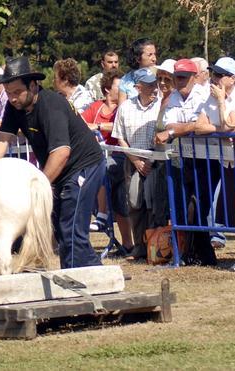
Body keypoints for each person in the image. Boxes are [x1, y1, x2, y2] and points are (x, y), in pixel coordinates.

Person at [0, 56, 105, 269]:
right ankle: (96, 272)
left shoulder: (51, 105)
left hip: (84, 165)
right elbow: (2, 139)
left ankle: (77, 282)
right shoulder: (15, 108)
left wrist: (39, 186)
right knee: (61, 228)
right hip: (61, 171)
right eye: (8, 93)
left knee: (71, 227)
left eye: (16, 92)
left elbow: (61, 153)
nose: (12, 98)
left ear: (32, 85)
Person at [194, 57, 235, 271]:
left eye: (220, 75)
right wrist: (221, 128)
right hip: (227, 160)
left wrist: (221, 104)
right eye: (214, 74)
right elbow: (200, 127)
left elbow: (231, 124)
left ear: (233, 78)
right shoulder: (210, 97)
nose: (215, 78)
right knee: (234, 212)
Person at [155, 58, 218, 266]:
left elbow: (203, 125)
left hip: (207, 159)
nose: (179, 81)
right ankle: (188, 253)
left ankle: (204, 255)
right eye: (176, 77)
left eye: (183, 77)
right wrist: (189, 126)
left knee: (200, 207)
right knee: (181, 207)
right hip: (183, 158)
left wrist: (174, 131)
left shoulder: (204, 94)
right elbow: (171, 123)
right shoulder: (172, 97)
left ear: (193, 78)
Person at [111, 68, 162, 260]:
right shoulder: (126, 108)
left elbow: (161, 137)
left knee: (153, 204)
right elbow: (121, 137)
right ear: (138, 87)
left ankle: (154, 246)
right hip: (132, 162)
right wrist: (136, 161)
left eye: (154, 84)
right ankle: (139, 246)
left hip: (155, 161)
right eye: (149, 85)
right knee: (134, 202)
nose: (154, 88)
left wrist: (148, 161)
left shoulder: (160, 107)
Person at [82, 69, 132, 255]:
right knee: (119, 201)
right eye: (118, 87)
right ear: (106, 90)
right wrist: (90, 128)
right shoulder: (96, 107)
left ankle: (102, 215)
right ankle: (127, 244)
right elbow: (80, 122)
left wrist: (100, 126)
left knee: (102, 170)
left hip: (119, 155)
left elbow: (121, 125)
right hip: (101, 156)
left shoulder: (124, 107)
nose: (122, 90)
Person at [118, 37, 157, 105]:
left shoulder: (161, 75)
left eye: (154, 54)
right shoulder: (125, 81)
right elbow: (121, 109)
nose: (154, 59)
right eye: (149, 55)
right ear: (138, 58)